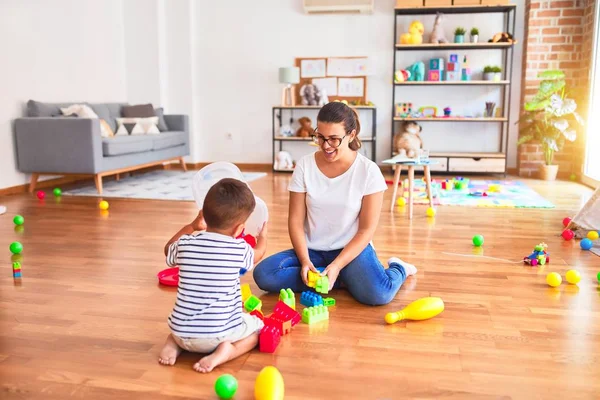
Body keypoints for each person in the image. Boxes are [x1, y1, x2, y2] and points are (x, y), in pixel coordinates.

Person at [253, 102, 417, 306]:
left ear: (351, 135)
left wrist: (338, 264)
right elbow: (295, 221)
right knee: (264, 274)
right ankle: (338, 279)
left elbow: (366, 231)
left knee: (379, 294)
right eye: (320, 137)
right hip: (312, 250)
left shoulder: (368, 171)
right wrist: (305, 261)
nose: (325, 145)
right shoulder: (305, 165)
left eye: (334, 139)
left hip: (350, 250)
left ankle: (398, 268)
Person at [158, 178, 268, 373]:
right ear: (238, 229)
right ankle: (226, 353)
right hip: (217, 336)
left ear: (204, 216)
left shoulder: (186, 244)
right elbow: (258, 254)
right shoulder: (238, 248)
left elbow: (168, 250)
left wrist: (192, 226)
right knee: (258, 329)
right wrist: (263, 237)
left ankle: (174, 344)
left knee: (180, 331)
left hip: (180, 331)